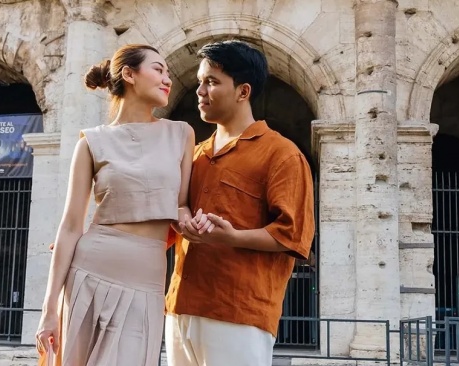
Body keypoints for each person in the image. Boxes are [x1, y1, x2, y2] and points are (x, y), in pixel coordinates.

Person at [35, 44, 196, 366]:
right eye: (158, 69)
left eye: (167, 72)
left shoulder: (181, 133)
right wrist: (48, 310)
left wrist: (191, 221)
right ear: (129, 74)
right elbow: (69, 227)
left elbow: (180, 205)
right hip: (90, 271)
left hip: (147, 278)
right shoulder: (90, 142)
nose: (168, 79)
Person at [165, 40, 316, 366]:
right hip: (180, 307)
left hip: (239, 313)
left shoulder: (281, 154)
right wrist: (183, 216)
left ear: (243, 91)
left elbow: (293, 234)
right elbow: (176, 209)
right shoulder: (196, 154)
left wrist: (232, 236)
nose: (200, 90)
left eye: (212, 82)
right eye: (200, 81)